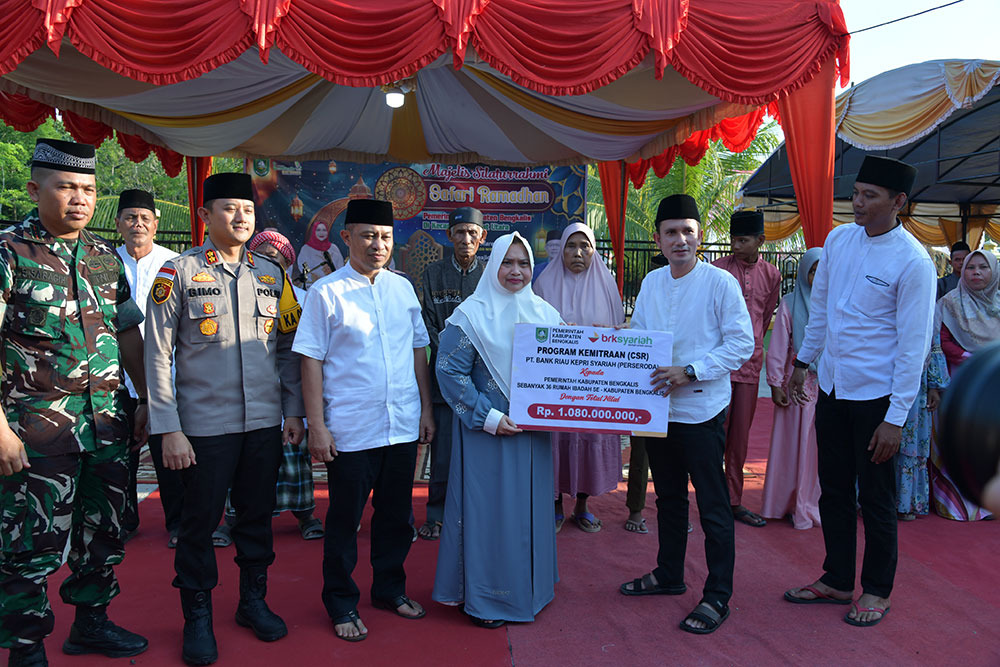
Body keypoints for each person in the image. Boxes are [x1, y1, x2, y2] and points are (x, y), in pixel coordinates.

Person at [145, 173, 305, 666]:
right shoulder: (178, 273)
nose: (241, 217)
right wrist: (168, 427)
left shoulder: (272, 275)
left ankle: (252, 601)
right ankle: (197, 617)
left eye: (248, 210)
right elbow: (157, 355)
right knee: (199, 524)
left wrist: (293, 410)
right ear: (205, 215)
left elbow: (287, 349)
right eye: (230, 208)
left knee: (256, 517)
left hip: (262, 424)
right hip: (203, 427)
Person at [0, 139, 149, 666]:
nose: (80, 198)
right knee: (29, 543)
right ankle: (25, 649)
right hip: (35, 429)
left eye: (88, 188)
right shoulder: (9, 252)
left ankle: (91, 623)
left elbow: (127, 333)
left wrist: (145, 399)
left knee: (103, 531)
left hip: (106, 422)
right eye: (66, 187)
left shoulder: (105, 256)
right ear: (34, 189)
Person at [785, 156, 936, 628]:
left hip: (877, 399)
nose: (858, 203)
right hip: (832, 387)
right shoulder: (838, 240)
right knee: (832, 490)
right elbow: (822, 311)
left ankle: (876, 590)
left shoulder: (913, 262)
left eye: (870, 196)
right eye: (856, 193)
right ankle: (836, 579)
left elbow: (913, 348)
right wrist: (803, 363)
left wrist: (895, 419)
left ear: (899, 201)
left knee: (876, 498)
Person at [293, 198, 434, 643]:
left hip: (401, 425)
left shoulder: (403, 288)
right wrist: (317, 426)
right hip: (350, 430)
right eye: (369, 235)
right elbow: (310, 360)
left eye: (386, 237)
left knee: (395, 518)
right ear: (347, 237)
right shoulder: (326, 292)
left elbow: (418, 351)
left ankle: (389, 589)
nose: (378, 245)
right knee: (345, 520)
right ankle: (340, 601)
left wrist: (426, 409)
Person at [619, 194, 754, 635]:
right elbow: (643, 335)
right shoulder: (653, 282)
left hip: (701, 411)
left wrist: (691, 371)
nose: (680, 240)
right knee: (669, 498)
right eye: (671, 232)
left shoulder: (720, 283)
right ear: (657, 238)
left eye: (688, 231)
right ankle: (669, 574)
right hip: (659, 411)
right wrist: (621, 340)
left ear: (700, 236)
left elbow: (741, 344)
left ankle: (717, 595)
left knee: (712, 505)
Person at [433, 231, 562, 628]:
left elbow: (568, 368)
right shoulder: (471, 315)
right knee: (491, 514)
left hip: (533, 437)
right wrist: (488, 418)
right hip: (488, 435)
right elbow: (448, 371)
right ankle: (489, 597)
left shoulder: (545, 313)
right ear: (493, 266)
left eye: (523, 263)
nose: (516, 271)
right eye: (507, 262)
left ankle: (530, 589)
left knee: (530, 510)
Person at [535, 222, 625, 533]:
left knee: (588, 439)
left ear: (593, 251)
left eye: (584, 246)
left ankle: (583, 505)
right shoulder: (543, 285)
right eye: (571, 246)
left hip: (594, 387)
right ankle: (555, 504)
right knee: (555, 441)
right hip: (554, 385)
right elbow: (531, 333)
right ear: (561, 250)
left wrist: (611, 334)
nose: (577, 252)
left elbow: (619, 334)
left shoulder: (606, 284)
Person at [114, 189, 183, 547]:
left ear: (156, 224)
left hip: (165, 377)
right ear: (118, 223)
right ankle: (123, 520)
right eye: (130, 217)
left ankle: (179, 522)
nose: (137, 224)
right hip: (113, 378)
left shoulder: (175, 264)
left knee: (168, 451)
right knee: (118, 454)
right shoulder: (103, 263)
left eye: (144, 218)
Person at [247, 230, 323, 541]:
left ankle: (305, 515)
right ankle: (234, 517)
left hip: (290, 390)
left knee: (294, 458)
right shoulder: (240, 292)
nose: (269, 262)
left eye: (276, 258)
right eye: (261, 256)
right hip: (249, 390)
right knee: (246, 460)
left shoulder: (302, 299)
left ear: (288, 263)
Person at [417, 207, 486, 541]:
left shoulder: (491, 275)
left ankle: (477, 515)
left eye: (472, 232)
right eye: (460, 232)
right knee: (442, 455)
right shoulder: (434, 274)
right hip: (443, 381)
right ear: (449, 236)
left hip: (481, 382)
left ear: (482, 237)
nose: (466, 239)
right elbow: (428, 324)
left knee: (480, 454)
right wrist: (452, 357)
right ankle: (437, 514)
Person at [712, 210, 781, 527]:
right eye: (733, 240)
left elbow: (765, 318)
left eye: (743, 241)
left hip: (750, 366)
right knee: (713, 434)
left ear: (760, 240)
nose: (736, 246)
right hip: (717, 364)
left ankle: (733, 501)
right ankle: (709, 497)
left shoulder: (772, 275)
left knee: (739, 438)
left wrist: (751, 346)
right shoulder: (717, 270)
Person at [930, 249, 999, 521]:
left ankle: (990, 502)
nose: (977, 272)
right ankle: (958, 505)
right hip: (959, 380)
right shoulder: (949, 303)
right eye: (971, 267)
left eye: (983, 267)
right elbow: (940, 340)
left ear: (994, 271)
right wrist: (971, 357)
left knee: (990, 438)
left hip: (993, 381)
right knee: (960, 437)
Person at [760, 248, 823, 529]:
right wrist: (776, 383)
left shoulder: (835, 302)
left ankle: (811, 503)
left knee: (819, 448)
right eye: (813, 271)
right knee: (792, 446)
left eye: (823, 270)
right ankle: (785, 502)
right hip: (797, 385)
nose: (818, 277)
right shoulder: (790, 303)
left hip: (827, 384)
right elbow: (777, 347)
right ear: (803, 273)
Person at [895, 333, 949, 521]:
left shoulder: (926, 312)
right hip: (884, 372)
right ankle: (873, 499)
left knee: (911, 439)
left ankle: (905, 502)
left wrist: (934, 386)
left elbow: (934, 342)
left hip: (918, 378)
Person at [297, 219, 344, 288]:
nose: (321, 233)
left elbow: (340, 267)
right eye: (318, 230)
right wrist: (314, 278)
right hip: (312, 286)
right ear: (314, 231)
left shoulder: (333, 248)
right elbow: (302, 266)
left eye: (324, 230)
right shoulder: (306, 249)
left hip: (332, 285)